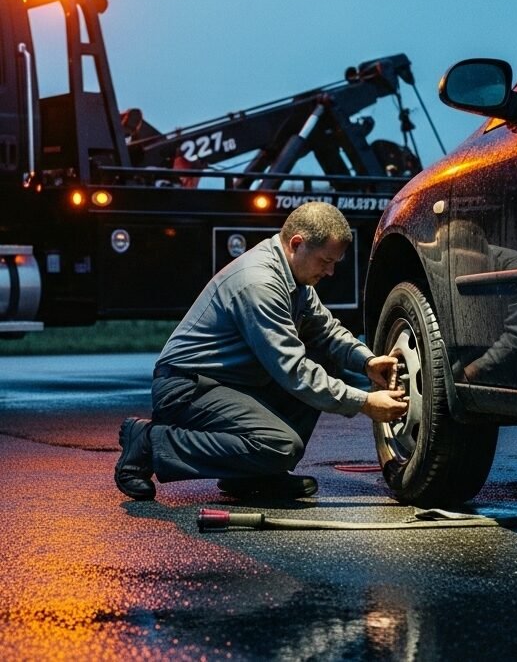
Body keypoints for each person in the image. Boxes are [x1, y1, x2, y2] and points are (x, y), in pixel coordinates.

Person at [114, 201, 408, 501]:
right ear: (297, 244)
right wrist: (364, 402)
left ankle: (253, 475)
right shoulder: (260, 283)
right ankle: (150, 443)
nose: (330, 271)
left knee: (323, 356)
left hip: (232, 382)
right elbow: (293, 371)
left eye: (335, 263)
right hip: (187, 387)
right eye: (325, 261)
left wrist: (367, 361)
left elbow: (326, 331)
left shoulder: (295, 278)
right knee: (280, 446)